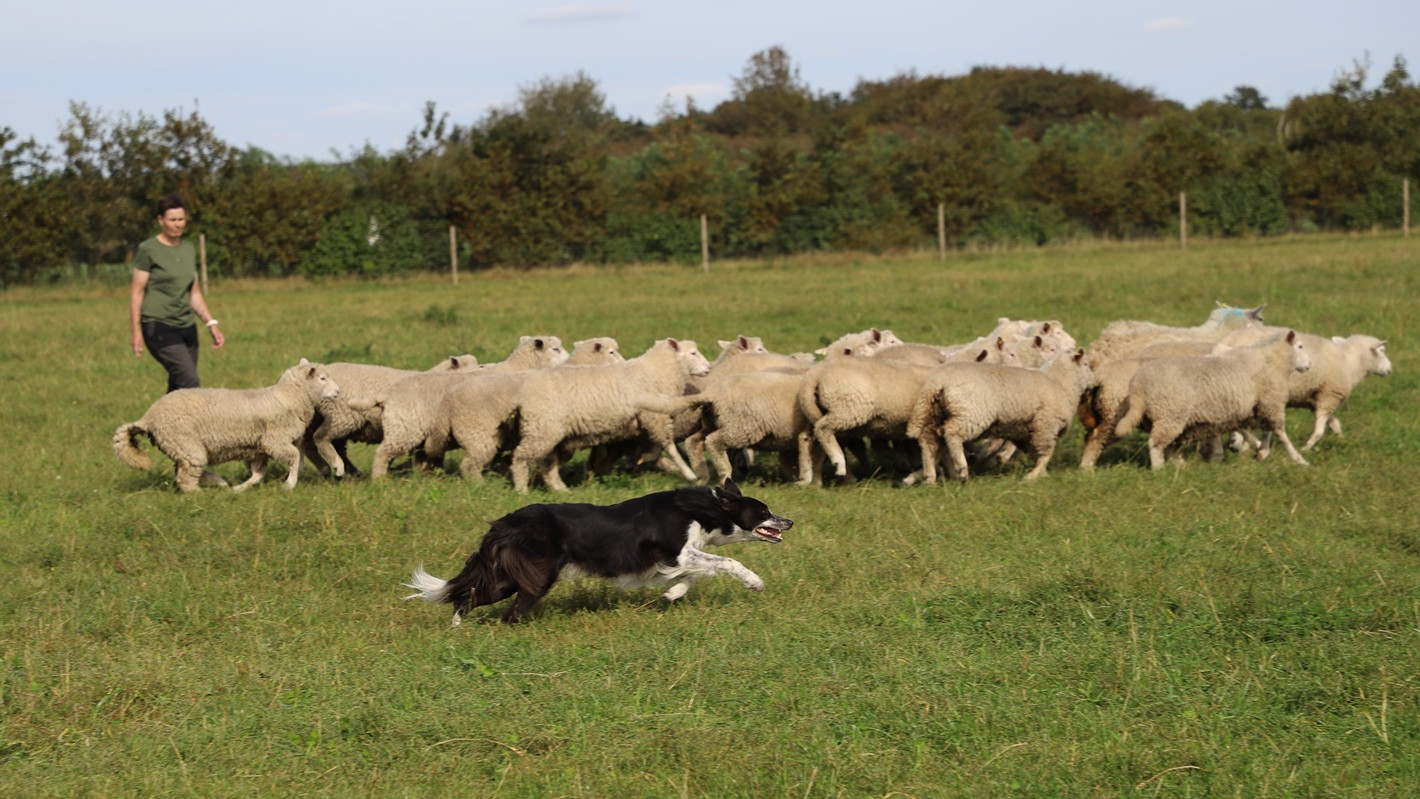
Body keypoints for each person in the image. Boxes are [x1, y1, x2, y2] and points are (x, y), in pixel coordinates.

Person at [129, 194, 225, 392]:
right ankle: (198, 423)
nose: (177, 224)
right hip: (159, 326)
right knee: (190, 382)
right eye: (172, 220)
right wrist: (136, 330)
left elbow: (194, 293)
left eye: (181, 219)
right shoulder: (148, 249)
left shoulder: (188, 249)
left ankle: (159, 424)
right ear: (160, 220)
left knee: (178, 388)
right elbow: (137, 292)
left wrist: (211, 323)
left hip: (187, 326)